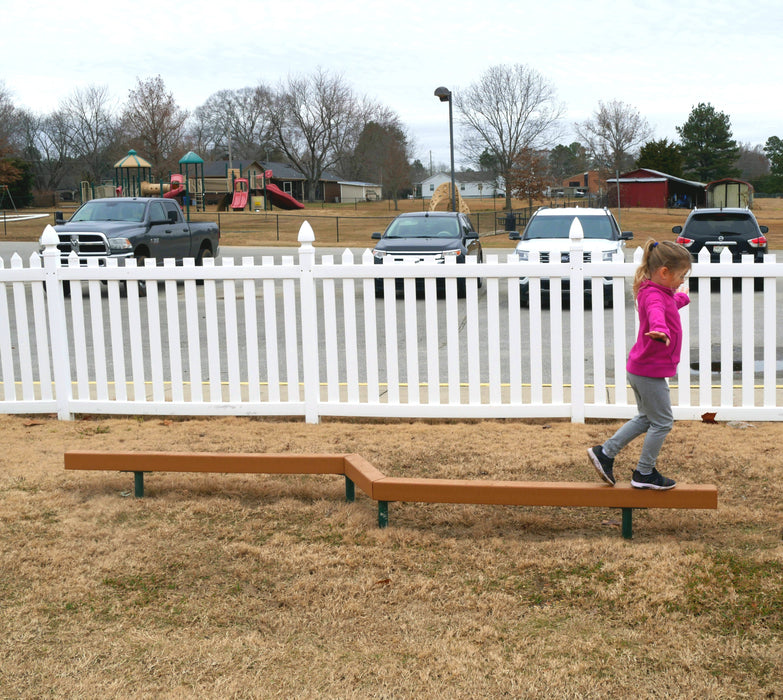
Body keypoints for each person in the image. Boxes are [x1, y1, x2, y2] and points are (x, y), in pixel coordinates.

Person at [588, 240, 692, 490]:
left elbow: (667, 305)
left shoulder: (657, 291)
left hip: (642, 370)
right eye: (681, 276)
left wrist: (681, 299)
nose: (682, 281)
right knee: (663, 422)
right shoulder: (654, 296)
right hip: (649, 373)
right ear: (664, 272)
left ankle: (605, 453)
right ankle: (644, 472)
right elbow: (657, 314)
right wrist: (659, 330)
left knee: (646, 418)